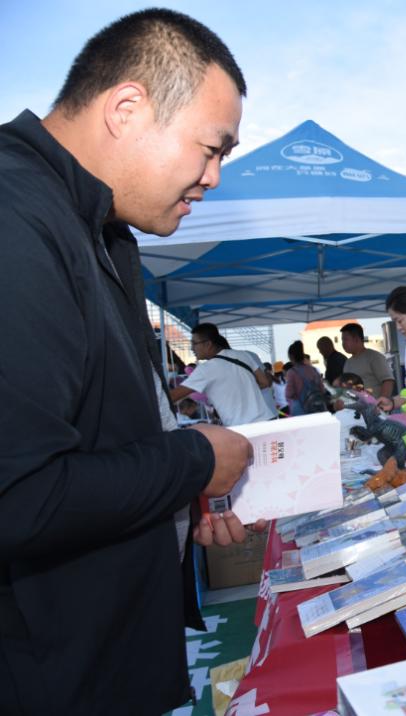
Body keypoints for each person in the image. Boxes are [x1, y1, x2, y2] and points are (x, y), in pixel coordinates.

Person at [0, 9, 255, 713]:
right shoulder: (14, 215)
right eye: (210, 149)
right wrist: (194, 464)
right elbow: (20, 495)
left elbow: (108, 434)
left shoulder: (103, 230)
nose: (212, 180)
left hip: (111, 659)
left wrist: (178, 495)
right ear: (126, 108)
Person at [171, 323, 276, 427]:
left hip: (243, 429)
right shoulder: (244, 355)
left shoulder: (205, 369)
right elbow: (265, 382)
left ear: (208, 344)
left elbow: (173, 396)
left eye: (194, 343)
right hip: (267, 421)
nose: (192, 348)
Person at [339, 322, 394, 399]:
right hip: (356, 408)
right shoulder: (348, 362)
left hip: (374, 408)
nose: (343, 344)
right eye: (342, 340)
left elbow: (388, 381)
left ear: (356, 340)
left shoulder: (374, 357)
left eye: (345, 340)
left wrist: (381, 404)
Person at [285, 340, 327, 415]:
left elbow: (289, 393)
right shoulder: (313, 369)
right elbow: (322, 389)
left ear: (291, 357)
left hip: (302, 410)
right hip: (318, 407)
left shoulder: (292, 372)